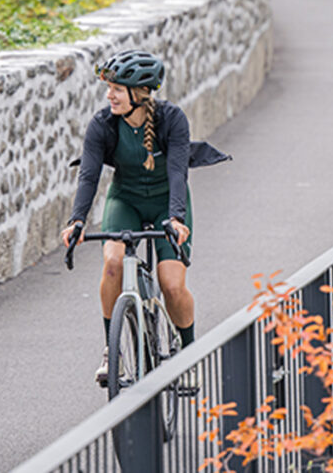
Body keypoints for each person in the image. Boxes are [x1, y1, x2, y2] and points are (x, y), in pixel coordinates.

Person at [60, 49, 230, 388]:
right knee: (112, 263)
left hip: (168, 204)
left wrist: (177, 218)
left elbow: (179, 172)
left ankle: (187, 351)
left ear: (139, 94)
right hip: (127, 200)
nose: (109, 95)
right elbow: (89, 176)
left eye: (116, 89)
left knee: (172, 283)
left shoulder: (172, 119)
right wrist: (77, 220)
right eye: (108, 88)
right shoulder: (102, 124)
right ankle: (113, 352)